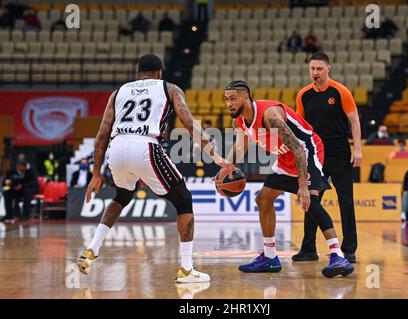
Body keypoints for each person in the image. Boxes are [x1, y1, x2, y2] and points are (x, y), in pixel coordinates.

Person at [76, 54, 231, 283]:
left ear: (137, 74)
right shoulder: (169, 88)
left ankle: (91, 249)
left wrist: (96, 174)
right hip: (145, 144)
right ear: (160, 73)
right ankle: (187, 269)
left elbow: (102, 134)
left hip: (116, 147)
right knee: (184, 199)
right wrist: (216, 156)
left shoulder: (118, 92)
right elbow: (189, 123)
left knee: (122, 195)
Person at [217, 80, 354, 278]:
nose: (228, 103)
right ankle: (270, 258)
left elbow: (298, 148)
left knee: (310, 202)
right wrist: (226, 171)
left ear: (245, 98)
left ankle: (338, 255)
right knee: (263, 199)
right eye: (226, 99)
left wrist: (303, 186)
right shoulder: (239, 119)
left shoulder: (270, 115)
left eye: (233, 99)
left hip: (307, 151)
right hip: (284, 157)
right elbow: (241, 146)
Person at [295, 52, 362, 263]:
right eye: (312, 68)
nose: (315, 72)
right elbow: (299, 126)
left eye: (319, 69)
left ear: (328, 69)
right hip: (315, 153)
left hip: (339, 152)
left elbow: (355, 121)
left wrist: (357, 149)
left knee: (346, 201)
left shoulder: (341, 91)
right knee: (312, 201)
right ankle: (308, 249)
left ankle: (349, 249)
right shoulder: (303, 94)